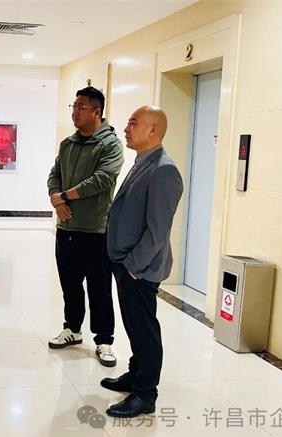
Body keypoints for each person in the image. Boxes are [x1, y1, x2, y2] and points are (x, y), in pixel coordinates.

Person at [101, 105, 183, 418]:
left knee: (144, 330)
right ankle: (135, 375)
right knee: (135, 326)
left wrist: (133, 266)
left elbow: (158, 230)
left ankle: (145, 394)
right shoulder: (144, 162)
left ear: (153, 130)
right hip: (128, 262)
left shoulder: (164, 169)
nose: (126, 128)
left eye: (133, 123)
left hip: (140, 268)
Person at [47, 86, 124, 367]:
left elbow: (102, 179)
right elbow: (54, 174)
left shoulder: (111, 145)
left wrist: (64, 196)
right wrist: (56, 199)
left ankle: (104, 340)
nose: (75, 112)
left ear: (96, 111)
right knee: (69, 283)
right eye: (74, 107)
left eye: (80, 107)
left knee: (99, 288)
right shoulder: (68, 144)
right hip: (67, 227)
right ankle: (72, 329)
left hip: (96, 230)